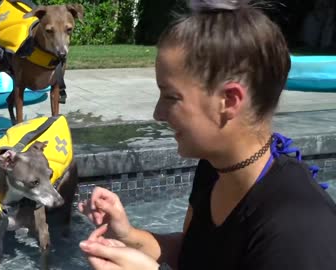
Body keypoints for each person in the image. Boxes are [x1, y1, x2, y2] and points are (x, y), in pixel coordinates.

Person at [78, 0, 336, 269]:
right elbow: (192, 255)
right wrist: (128, 236)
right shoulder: (214, 170)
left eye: (170, 96)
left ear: (229, 100)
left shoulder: (298, 230)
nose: (158, 113)